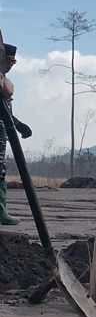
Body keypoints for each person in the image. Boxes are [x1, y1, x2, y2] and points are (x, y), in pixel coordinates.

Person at [0, 43, 32, 225]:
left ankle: (1, 211)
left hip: (3, 129)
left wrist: (18, 125)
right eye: (8, 60)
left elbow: (5, 109)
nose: (11, 64)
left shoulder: (4, 80)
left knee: (0, 170)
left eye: (14, 61)